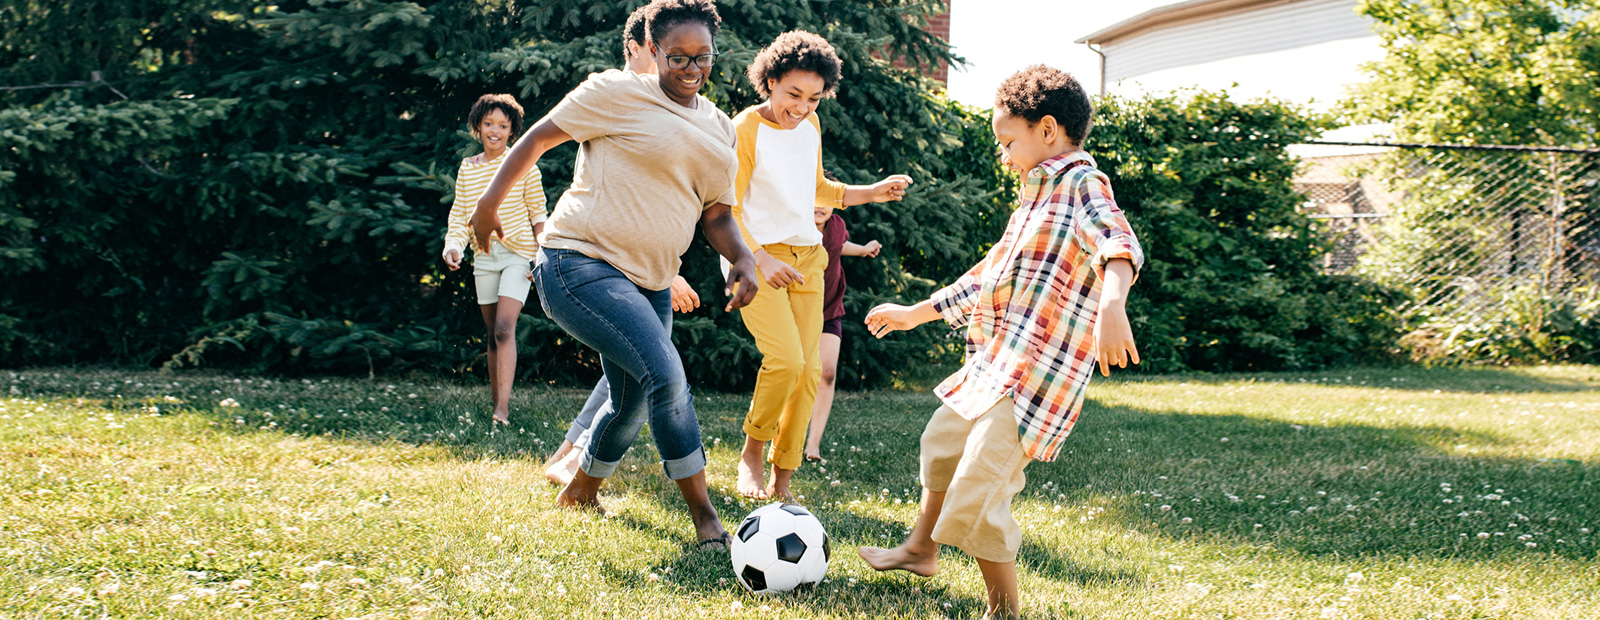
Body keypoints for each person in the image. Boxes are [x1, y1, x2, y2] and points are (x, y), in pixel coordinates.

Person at [856, 65, 1144, 620]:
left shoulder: (1081, 184)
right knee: (941, 445)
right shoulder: (1033, 198)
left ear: (1047, 130)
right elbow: (990, 273)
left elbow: (1118, 242)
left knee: (980, 490)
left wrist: (1113, 306)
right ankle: (921, 548)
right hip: (995, 366)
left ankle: (1005, 609)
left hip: (1035, 377)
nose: (1004, 155)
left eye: (1008, 142)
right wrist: (919, 312)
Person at [472, 0, 756, 550]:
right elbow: (538, 138)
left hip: (650, 282)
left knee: (633, 399)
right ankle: (705, 519)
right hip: (577, 262)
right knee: (667, 376)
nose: (691, 68)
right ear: (654, 50)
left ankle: (580, 489)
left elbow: (717, 213)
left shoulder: (721, 127)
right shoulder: (615, 92)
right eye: (677, 56)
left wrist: (741, 257)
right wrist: (488, 203)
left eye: (703, 57)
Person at [728, 31, 912, 501]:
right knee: (786, 360)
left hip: (809, 260)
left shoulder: (810, 128)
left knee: (810, 371)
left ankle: (783, 477)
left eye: (814, 98)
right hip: (755, 259)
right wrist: (759, 259)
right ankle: (752, 449)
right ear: (768, 81)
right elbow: (726, 207)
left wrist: (871, 191)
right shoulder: (745, 130)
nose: (803, 107)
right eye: (793, 94)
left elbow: (817, 190)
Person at [540, 0, 703, 487]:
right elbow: (614, 197)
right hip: (588, 259)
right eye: (661, 55)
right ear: (639, 49)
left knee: (632, 382)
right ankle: (572, 457)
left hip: (641, 268)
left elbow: (670, 197)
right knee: (653, 367)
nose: (670, 67)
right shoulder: (615, 95)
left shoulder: (680, 110)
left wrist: (665, 267)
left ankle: (575, 468)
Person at [441, 94, 545, 427]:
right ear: (478, 127)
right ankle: (496, 403)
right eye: (488, 124)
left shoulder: (524, 164)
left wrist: (541, 256)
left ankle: (503, 409)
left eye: (502, 125)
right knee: (491, 334)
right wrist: (452, 246)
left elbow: (539, 215)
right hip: (483, 256)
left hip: (520, 254)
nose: (495, 131)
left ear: (513, 130)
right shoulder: (468, 169)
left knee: (504, 328)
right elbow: (459, 215)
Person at [801, 199, 882, 463]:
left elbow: (838, 246)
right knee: (796, 372)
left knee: (827, 373)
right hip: (799, 309)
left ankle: (813, 445)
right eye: (815, 200)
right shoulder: (796, 225)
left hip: (829, 308)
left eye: (826, 202)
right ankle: (785, 437)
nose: (820, 207)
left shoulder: (836, 226)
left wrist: (863, 250)